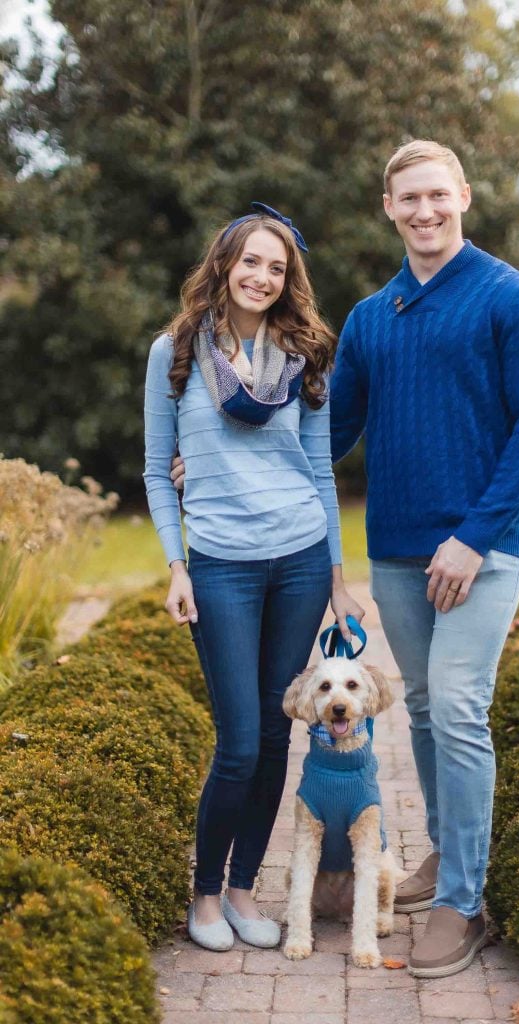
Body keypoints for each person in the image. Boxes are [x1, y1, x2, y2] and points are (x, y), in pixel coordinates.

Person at [329, 139, 519, 978]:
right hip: (395, 549)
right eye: (407, 199)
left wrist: (472, 538)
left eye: (437, 195)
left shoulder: (515, 299)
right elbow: (330, 432)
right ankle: (443, 853)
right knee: (426, 708)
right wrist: (216, 458)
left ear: (462, 195)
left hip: (484, 546)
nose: (424, 211)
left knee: (459, 708)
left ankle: (463, 901)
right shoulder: (370, 317)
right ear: (387, 209)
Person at [144, 203, 362, 952]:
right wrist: (176, 565)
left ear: (287, 277)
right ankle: (204, 895)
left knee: (275, 734)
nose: (262, 277)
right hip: (220, 567)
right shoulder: (173, 352)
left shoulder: (303, 354)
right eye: (251, 263)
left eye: (277, 267)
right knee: (237, 741)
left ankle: (243, 890)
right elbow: (154, 466)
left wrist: (335, 575)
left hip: (298, 557)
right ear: (223, 265)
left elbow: (318, 470)